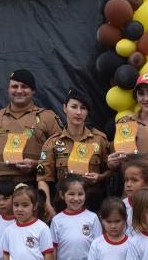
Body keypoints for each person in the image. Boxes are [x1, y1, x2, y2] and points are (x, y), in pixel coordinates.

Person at [0, 69, 61, 186]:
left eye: (24, 86)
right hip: (0, 191)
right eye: (14, 86)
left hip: (33, 187)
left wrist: (35, 164)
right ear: (8, 90)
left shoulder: (48, 118)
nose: (19, 90)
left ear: (33, 90)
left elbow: (60, 156)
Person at [37, 88, 111, 218]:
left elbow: (111, 171)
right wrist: (47, 204)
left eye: (83, 108)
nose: (78, 112)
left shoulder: (100, 140)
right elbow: (43, 179)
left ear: (87, 112)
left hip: (94, 207)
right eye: (74, 107)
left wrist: (100, 177)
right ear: (65, 108)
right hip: (62, 208)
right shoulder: (53, 143)